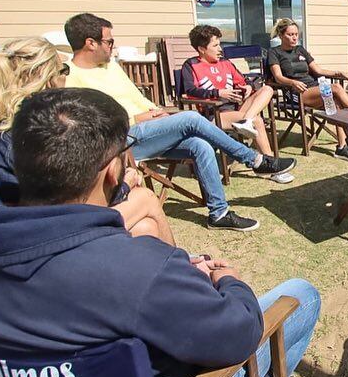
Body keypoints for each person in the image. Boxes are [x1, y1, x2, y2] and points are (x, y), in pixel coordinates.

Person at [0, 88, 321, 377]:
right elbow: (237, 334)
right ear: (112, 171)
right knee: (300, 296)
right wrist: (228, 280)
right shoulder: (130, 268)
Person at [64, 13, 295, 231]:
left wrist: (157, 111)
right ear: (90, 43)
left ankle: (219, 214)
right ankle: (254, 160)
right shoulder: (69, 78)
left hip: (151, 129)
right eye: (109, 41)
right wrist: (140, 117)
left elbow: (137, 98)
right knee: (191, 118)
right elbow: (93, 126)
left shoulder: (110, 66)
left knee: (200, 145)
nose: (112, 46)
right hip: (124, 141)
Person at [0, 37, 174, 245]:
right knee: (146, 199)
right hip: (33, 241)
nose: (66, 78)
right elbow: (72, 201)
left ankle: (176, 268)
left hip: (11, 233)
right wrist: (123, 186)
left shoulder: (3, 133)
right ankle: (182, 270)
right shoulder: (35, 136)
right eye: (63, 70)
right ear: (47, 79)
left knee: (145, 227)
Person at [182, 24, 288, 178]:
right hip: (214, 113)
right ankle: (272, 167)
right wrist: (218, 93)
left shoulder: (225, 62)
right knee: (257, 121)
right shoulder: (191, 65)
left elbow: (245, 81)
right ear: (202, 49)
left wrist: (248, 87)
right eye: (215, 45)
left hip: (238, 109)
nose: (220, 49)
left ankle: (247, 120)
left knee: (267, 89)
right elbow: (189, 91)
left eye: (220, 44)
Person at [267, 17, 348, 161]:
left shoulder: (301, 50)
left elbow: (318, 70)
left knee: (337, 103)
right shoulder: (274, 52)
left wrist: (338, 73)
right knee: (336, 88)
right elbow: (278, 77)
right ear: (281, 35)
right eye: (290, 34)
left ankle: (341, 147)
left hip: (314, 90)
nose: (294, 37)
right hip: (296, 93)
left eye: (296, 34)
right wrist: (292, 82)